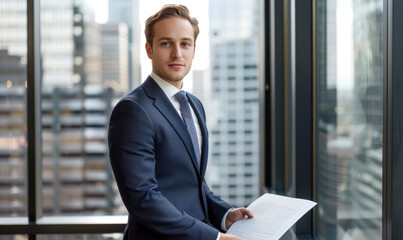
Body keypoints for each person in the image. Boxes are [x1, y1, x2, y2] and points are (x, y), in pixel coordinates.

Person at [108, 4, 253, 240]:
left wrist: (225, 215)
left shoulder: (194, 105)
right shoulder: (133, 110)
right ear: (149, 49)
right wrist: (214, 238)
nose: (177, 53)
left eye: (185, 43)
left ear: (194, 49)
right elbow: (142, 198)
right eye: (166, 43)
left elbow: (194, 183)